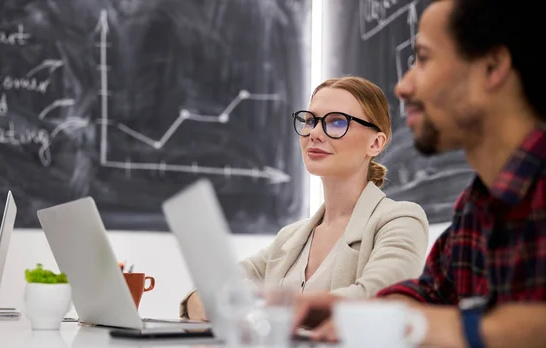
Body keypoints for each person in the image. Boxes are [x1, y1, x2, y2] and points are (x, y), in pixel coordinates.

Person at [292, 0, 546, 348]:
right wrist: (374, 313)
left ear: (492, 67)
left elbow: (430, 316)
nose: (403, 86)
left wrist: (427, 325)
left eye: (423, 59)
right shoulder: (476, 207)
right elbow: (428, 292)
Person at [181, 76, 429, 320]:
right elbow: (202, 295)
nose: (315, 133)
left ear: (375, 143)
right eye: (310, 121)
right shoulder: (290, 239)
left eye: (336, 122)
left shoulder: (400, 220)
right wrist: (217, 301)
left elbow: (380, 299)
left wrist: (259, 303)